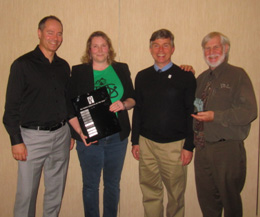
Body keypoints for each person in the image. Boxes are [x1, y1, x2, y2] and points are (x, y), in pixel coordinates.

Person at [3, 15, 86, 217]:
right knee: (26, 194)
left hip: (61, 135)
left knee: (55, 192)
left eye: (59, 34)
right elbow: (11, 108)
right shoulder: (22, 65)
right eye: (50, 32)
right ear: (39, 33)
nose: (55, 38)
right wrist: (16, 140)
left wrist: (72, 134)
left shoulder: (63, 66)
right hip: (32, 139)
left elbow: (67, 104)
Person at [68, 31, 135, 217]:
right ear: (89, 50)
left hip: (117, 137)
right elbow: (69, 105)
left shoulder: (121, 68)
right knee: (90, 186)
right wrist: (79, 132)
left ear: (109, 48)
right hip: (89, 138)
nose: (99, 49)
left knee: (112, 185)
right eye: (95, 46)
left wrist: (124, 104)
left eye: (103, 45)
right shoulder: (79, 71)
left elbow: (132, 98)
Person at [131, 29, 196, 217]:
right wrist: (135, 141)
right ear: (150, 49)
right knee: (150, 194)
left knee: (176, 196)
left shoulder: (185, 76)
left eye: (165, 45)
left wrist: (189, 146)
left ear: (173, 48)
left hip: (175, 147)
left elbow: (192, 112)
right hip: (147, 144)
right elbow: (139, 109)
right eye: (156, 45)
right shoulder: (142, 76)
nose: (161, 49)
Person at [191, 32, 257, 217]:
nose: (211, 52)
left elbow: (249, 112)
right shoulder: (201, 79)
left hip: (227, 149)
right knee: (207, 203)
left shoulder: (237, 75)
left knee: (230, 203)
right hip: (202, 149)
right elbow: (196, 108)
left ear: (225, 49)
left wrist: (216, 116)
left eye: (215, 47)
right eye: (207, 48)